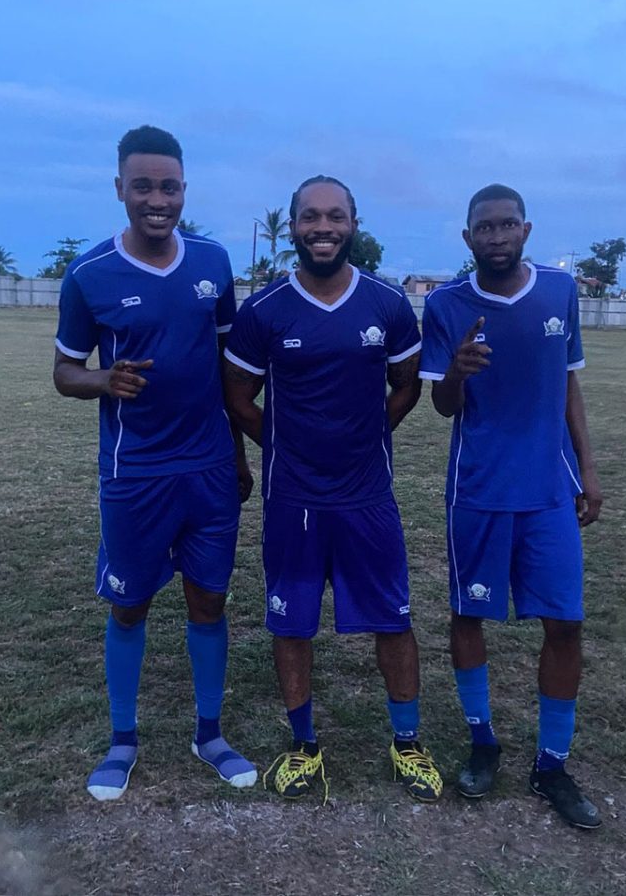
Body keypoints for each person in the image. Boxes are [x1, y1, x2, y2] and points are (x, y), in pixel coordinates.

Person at [222, 175, 442, 803]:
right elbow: (237, 397)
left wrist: (370, 431)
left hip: (368, 496)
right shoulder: (263, 311)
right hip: (294, 499)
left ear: (354, 223)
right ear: (292, 226)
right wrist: (286, 446)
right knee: (291, 624)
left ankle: (407, 743)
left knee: (392, 620)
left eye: (336, 216)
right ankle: (304, 746)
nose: (324, 227)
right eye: (311, 217)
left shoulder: (387, 304)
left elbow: (407, 384)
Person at [52, 125, 256, 801]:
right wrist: (104, 382)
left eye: (169, 186)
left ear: (183, 190)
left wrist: (236, 454)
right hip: (135, 471)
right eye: (143, 185)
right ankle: (122, 741)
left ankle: (209, 733)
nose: (157, 198)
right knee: (130, 605)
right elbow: (63, 371)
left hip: (208, 470)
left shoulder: (213, 262)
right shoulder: (90, 275)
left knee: (209, 600)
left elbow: (229, 370)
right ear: (120, 189)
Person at [418, 184, 603, 829]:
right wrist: (460, 373)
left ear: (526, 230)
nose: (495, 237)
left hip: (549, 489)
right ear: (466, 238)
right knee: (469, 615)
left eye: (506, 226)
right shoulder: (445, 304)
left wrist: (588, 469)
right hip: (479, 489)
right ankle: (483, 740)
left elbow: (569, 382)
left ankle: (552, 762)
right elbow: (442, 406)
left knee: (566, 623)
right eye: (483, 228)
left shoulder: (560, 290)